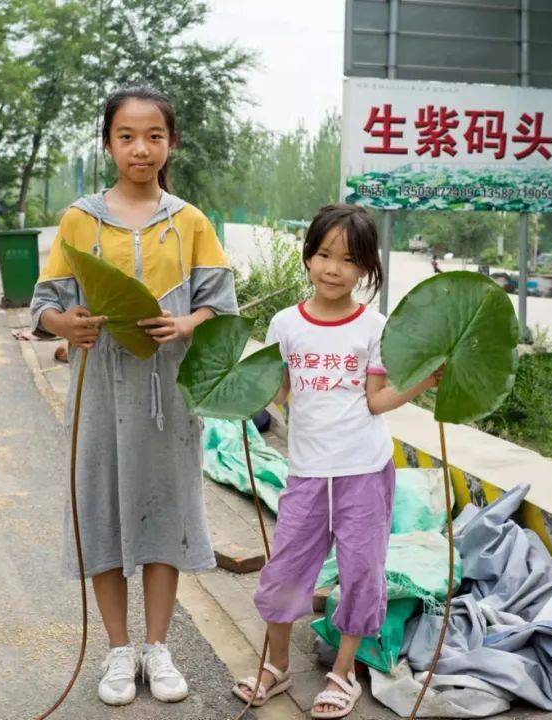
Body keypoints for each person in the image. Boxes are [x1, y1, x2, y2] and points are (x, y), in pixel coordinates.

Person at [29, 87, 237, 707]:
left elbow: (218, 306)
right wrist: (69, 326)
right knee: (99, 506)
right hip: (98, 393)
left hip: (167, 394)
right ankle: (118, 652)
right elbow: (44, 309)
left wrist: (186, 325)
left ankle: (159, 647)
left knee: (162, 508)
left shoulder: (190, 221)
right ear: (108, 143)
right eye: (126, 136)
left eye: (153, 136)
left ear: (171, 143)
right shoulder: (78, 219)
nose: (140, 148)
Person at [232, 204, 441, 719]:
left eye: (347, 260)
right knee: (284, 571)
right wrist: (233, 386)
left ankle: (342, 674)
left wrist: (421, 382)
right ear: (307, 257)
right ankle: (276, 667)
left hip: (364, 472)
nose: (332, 268)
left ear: (365, 270)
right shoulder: (285, 324)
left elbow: (375, 400)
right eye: (323, 254)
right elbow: (280, 394)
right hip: (305, 472)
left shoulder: (373, 326)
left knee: (361, 573)